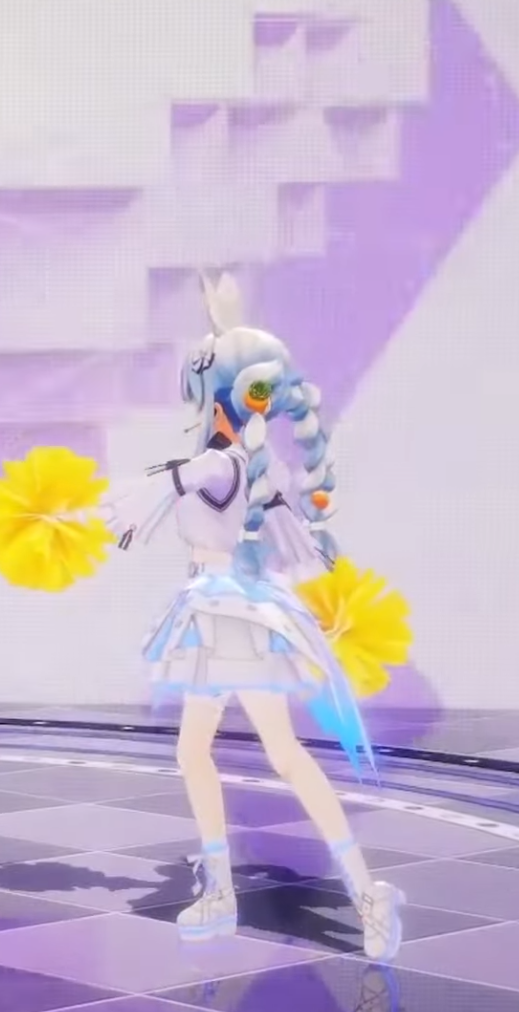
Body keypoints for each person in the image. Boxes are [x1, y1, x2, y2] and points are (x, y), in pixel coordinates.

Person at [102, 274, 403, 961]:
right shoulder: (246, 466)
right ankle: (234, 892)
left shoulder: (220, 464)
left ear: (216, 397)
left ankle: (360, 893)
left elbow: (168, 484)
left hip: (227, 619)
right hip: (221, 614)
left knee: (276, 754)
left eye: (199, 388)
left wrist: (131, 502)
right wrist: (227, 322)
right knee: (216, 753)